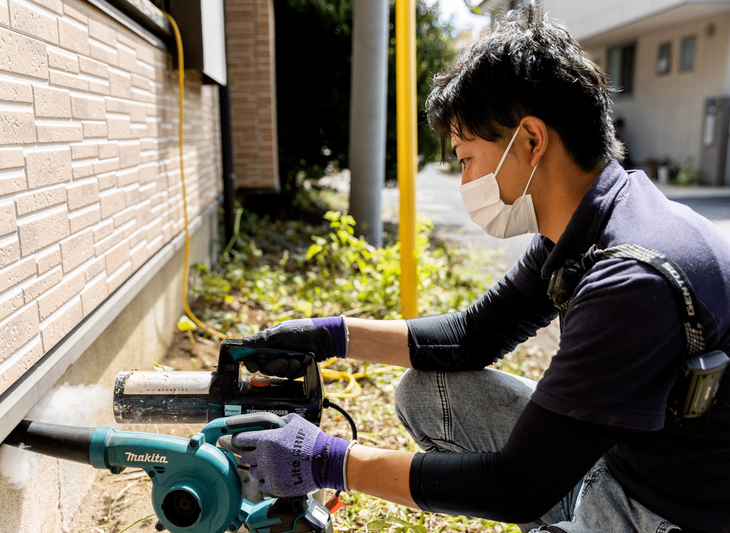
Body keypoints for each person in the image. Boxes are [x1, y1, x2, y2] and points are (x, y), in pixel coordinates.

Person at [231, 4, 730, 532]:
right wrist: (330, 336)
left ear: (531, 140)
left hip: (669, 512)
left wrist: (332, 461)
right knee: (426, 393)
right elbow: (473, 335)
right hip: (622, 463)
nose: (466, 180)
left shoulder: (630, 280)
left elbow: (517, 486)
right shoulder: (594, 223)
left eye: (466, 158)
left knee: (523, 483)